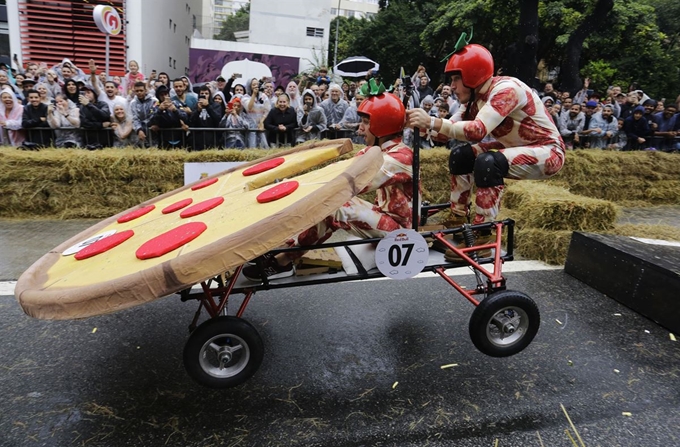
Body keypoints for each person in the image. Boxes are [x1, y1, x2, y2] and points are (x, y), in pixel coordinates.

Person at [406, 40, 565, 261]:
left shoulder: (506, 90)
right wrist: (419, 126)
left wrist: (431, 122)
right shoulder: (473, 98)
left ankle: (483, 237)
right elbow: (445, 133)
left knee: (488, 162)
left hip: (548, 151)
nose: (451, 86)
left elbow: (476, 131)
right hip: (514, 147)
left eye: (455, 79)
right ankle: (458, 219)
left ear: (472, 76)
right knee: (461, 155)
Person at [243, 80, 415, 281]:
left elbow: (354, 183)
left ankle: (284, 259)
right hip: (385, 218)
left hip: (401, 234)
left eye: (366, 122)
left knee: (335, 206)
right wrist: (301, 180)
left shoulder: (400, 158)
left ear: (382, 125)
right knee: (331, 202)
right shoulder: (376, 151)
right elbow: (340, 170)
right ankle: (280, 249)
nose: (360, 129)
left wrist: (303, 187)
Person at [77, 83, 111, 148]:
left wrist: (88, 105)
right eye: (84, 93)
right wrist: (101, 125)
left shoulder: (103, 104)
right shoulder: (82, 107)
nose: (86, 95)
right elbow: (84, 123)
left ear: (94, 94)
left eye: (89, 92)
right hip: (89, 141)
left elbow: (104, 115)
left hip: (103, 139)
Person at [189, 85, 222, 150]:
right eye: (202, 93)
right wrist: (198, 111)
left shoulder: (216, 105)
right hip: (197, 138)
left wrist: (208, 106)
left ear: (210, 95)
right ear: (199, 95)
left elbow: (217, 119)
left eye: (206, 93)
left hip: (212, 137)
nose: (204, 95)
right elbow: (191, 121)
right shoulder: (195, 106)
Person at [129, 81, 158, 147]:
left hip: (153, 132)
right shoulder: (132, 103)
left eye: (141, 90)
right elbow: (134, 118)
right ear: (135, 91)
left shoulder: (155, 101)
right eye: (137, 91)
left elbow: (156, 114)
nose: (139, 92)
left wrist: (156, 124)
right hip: (140, 133)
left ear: (145, 90)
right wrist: (139, 130)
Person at [244, 78, 271, 148]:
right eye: (253, 85)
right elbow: (249, 107)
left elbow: (267, 109)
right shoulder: (245, 97)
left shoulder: (263, 96)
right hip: (251, 126)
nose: (256, 86)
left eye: (257, 84)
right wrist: (254, 94)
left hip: (261, 125)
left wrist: (261, 121)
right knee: (252, 145)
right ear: (250, 86)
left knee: (264, 145)